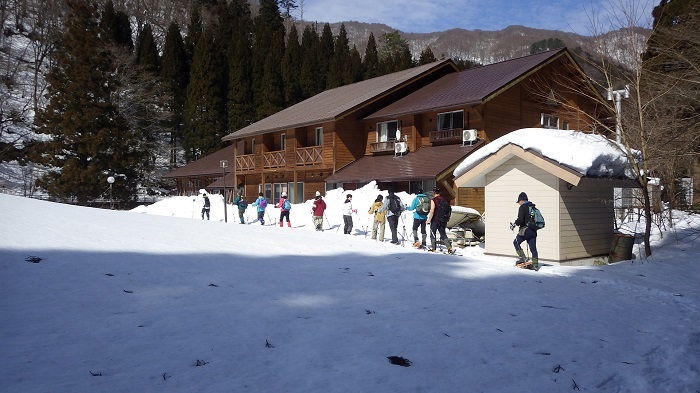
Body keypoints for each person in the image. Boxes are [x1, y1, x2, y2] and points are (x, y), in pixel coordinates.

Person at [512, 192, 539, 270]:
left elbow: (520, 220)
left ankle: (522, 258)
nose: (519, 204)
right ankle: (535, 264)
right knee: (533, 248)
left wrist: (514, 224)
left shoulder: (522, 207)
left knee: (516, 242)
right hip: (533, 231)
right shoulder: (533, 207)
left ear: (521, 200)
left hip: (525, 231)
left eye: (519, 202)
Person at [426, 187, 453, 253]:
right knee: (443, 234)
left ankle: (433, 248)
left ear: (434, 193)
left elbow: (432, 210)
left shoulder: (434, 200)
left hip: (435, 220)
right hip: (443, 220)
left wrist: (429, 220)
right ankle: (449, 247)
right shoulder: (444, 200)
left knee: (433, 234)